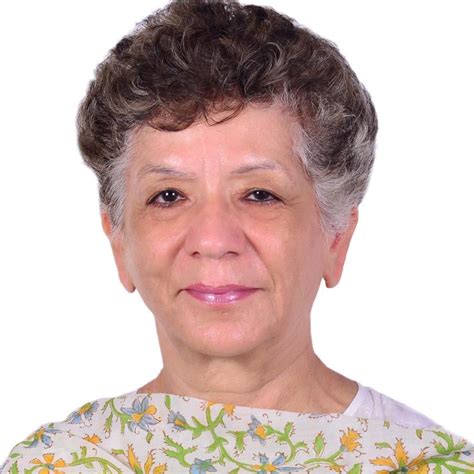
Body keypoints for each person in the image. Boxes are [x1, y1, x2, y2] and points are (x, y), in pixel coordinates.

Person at [1, 0, 473, 472]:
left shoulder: (425, 464)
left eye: (260, 195)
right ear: (119, 240)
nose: (213, 239)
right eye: (169, 196)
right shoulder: (62, 463)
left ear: (335, 236)